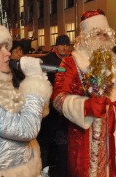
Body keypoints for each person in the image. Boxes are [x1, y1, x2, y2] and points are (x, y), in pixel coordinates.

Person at [52, 9, 116, 177]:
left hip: (115, 125)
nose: (103, 37)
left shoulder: (115, 58)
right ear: (86, 36)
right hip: (86, 130)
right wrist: (85, 106)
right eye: (97, 33)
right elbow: (58, 98)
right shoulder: (72, 61)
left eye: (105, 33)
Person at [0, 24, 52, 177]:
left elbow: (36, 114)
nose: (8, 53)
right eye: (0, 47)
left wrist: (37, 87)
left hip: (28, 168)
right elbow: (26, 129)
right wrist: (34, 81)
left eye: (7, 47)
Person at [37, 34, 71, 177]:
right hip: (49, 104)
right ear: (56, 46)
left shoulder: (70, 60)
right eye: (61, 44)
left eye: (66, 45)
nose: (64, 47)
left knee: (62, 137)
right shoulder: (47, 60)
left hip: (65, 105)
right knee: (47, 137)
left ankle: (57, 165)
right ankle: (45, 166)